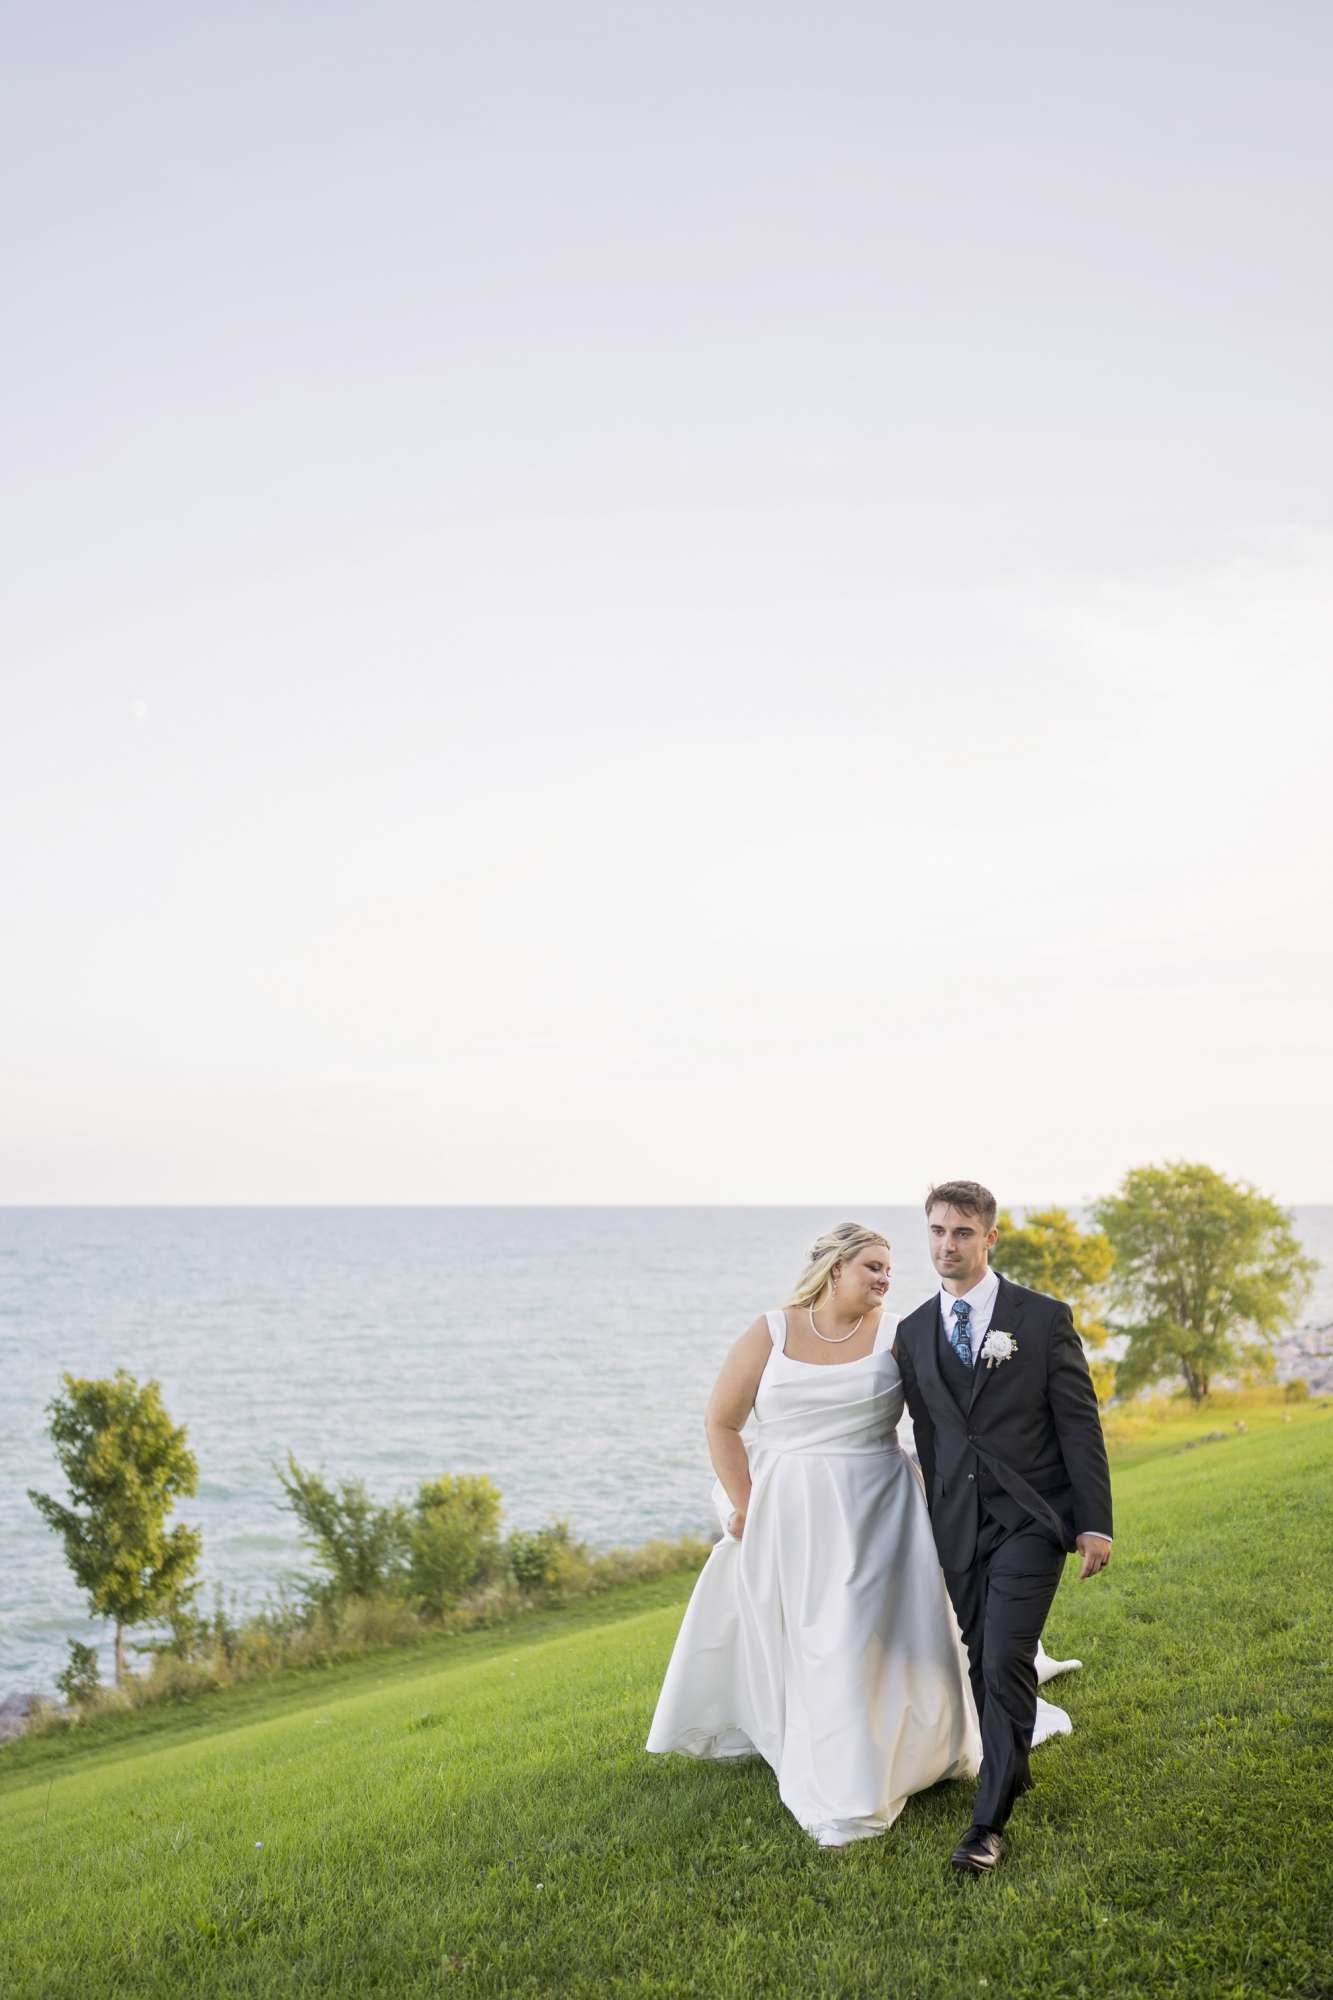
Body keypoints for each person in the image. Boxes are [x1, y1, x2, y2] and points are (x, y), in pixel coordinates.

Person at [646, 1223, 1074, 1846]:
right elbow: (721, 1422)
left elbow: (954, 1421)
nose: (885, 1277)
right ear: (835, 1268)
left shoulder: (901, 1334)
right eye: (872, 1266)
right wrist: (745, 1507)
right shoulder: (770, 1331)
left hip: (880, 1506)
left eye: (888, 1268)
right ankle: (834, 1756)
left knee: (861, 1634)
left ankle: (885, 1761)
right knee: (817, 1637)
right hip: (792, 1514)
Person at [894, 1180, 1113, 1876]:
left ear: (989, 1238)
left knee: (1004, 1658)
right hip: (957, 1525)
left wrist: (1092, 1524)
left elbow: (1078, 1426)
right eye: (934, 1231)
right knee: (978, 1657)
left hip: (1029, 1517)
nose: (945, 1245)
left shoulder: (1042, 1319)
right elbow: (929, 1437)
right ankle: (1011, 1766)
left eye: (960, 1232)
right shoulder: (911, 1333)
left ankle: (986, 1823)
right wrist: (929, 1520)